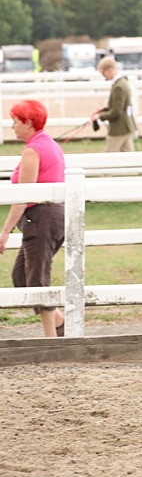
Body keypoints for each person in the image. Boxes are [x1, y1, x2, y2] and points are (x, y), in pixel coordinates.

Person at [0, 100, 66, 337]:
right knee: (21, 276)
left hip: (41, 218)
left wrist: (5, 231)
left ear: (28, 122)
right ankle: (59, 323)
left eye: (16, 121)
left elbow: (23, 197)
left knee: (37, 279)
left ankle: (51, 339)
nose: (12, 126)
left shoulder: (33, 151)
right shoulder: (47, 144)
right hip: (48, 217)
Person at [91, 57, 138, 152]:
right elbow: (118, 105)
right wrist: (104, 109)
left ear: (109, 70)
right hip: (126, 126)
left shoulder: (118, 87)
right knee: (129, 157)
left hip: (119, 129)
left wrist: (100, 116)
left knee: (109, 156)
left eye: (103, 73)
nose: (104, 76)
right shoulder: (122, 83)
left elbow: (117, 111)